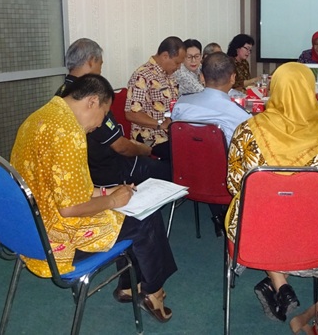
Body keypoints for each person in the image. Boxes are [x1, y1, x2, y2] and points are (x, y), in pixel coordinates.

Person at [10, 74, 177, 322]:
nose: (100, 125)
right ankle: (153, 291)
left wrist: (107, 192)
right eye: (104, 114)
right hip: (56, 239)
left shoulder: (40, 116)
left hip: (27, 228)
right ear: (92, 102)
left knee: (129, 209)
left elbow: (58, 185)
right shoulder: (70, 133)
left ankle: (130, 287)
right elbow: (70, 209)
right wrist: (112, 202)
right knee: (144, 217)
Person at [225, 62, 318, 322]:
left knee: (263, 211)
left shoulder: (247, 131)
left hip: (255, 228)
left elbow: (234, 185)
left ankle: (278, 282)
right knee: (292, 212)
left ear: (275, 89)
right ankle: (279, 281)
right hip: (310, 231)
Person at [56, 38, 171, 187]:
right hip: (107, 171)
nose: (100, 70)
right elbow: (121, 147)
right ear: (91, 61)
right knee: (169, 170)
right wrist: (144, 150)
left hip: (85, 168)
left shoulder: (60, 93)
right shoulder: (91, 96)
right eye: (100, 64)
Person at [171, 52, 252, 235]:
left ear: (201, 77)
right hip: (224, 182)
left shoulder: (181, 105)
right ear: (232, 78)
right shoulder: (240, 116)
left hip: (186, 177)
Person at [125, 36, 186, 156]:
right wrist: (160, 124)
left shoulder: (169, 75)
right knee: (184, 155)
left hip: (171, 134)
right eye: (177, 63)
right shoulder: (142, 76)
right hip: (151, 138)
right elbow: (131, 113)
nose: (179, 67)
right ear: (165, 56)